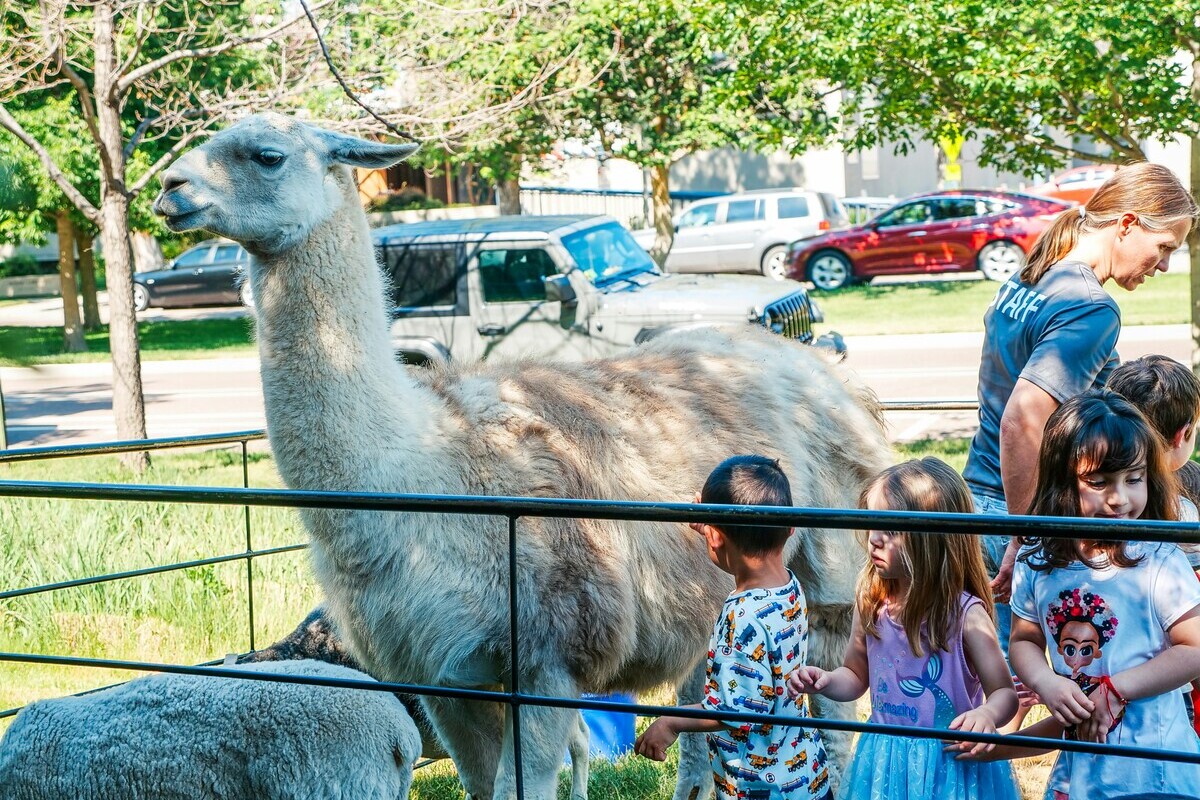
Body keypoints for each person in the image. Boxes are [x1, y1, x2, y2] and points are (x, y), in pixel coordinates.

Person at [962, 164, 1197, 695]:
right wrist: (1025, 539)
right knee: (1016, 700)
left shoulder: (1033, 276)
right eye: (1163, 246)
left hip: (977, 498)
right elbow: (1023, 420)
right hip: (1014, 514)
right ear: (1128, 224)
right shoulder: (1092, 306)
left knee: (985, 696)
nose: (1163, 265)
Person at [786, 458, 1020, 799]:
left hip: (949, 763)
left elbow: (1004, 693)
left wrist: (986, 714)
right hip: (885, 762)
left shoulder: (965, 616)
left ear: (932, 538)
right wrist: (825, 681)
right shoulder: (872, 600)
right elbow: (855, 675)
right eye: (872, 523)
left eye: (890, 528)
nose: (874, 540)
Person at [1008, 390, 1200, 799]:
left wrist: (1116, 689)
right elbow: (1024, 639)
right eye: (1099, 483)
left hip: (1155, 770)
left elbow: (1195, 647)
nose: (1119, 499)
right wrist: (1046, 682)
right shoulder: (1038, 560)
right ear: (1062, 479)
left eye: (1134, 479)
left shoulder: (1159, 559)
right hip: (1080, 767)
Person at [634, 455, 832, 800]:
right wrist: (712, 528)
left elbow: (733, 712)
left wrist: (670, 721)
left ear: (716, 539)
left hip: (760, 787)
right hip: (805, 776)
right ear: (790, 528)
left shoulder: (742, 616)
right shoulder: (789, 586)